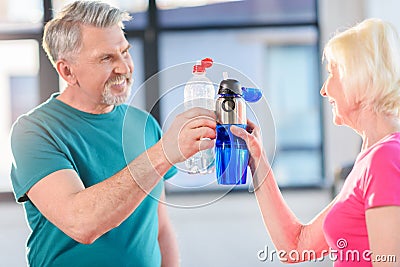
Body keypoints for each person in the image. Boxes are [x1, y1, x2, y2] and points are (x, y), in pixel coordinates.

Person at [9, 1, 216, 266]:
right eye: (106, 58)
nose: (124, 68)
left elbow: (160, 229)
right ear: (67, 71)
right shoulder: (34, 131)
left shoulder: (144, 124)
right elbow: (82, 223)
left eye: (124, 52)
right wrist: (164, 153)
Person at [231, 18, 400, 266]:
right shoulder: (370, 159)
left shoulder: (384, 158)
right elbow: (296, 246)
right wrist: (258, 159)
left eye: (332, 73)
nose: (323, 90)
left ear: (358, 79)